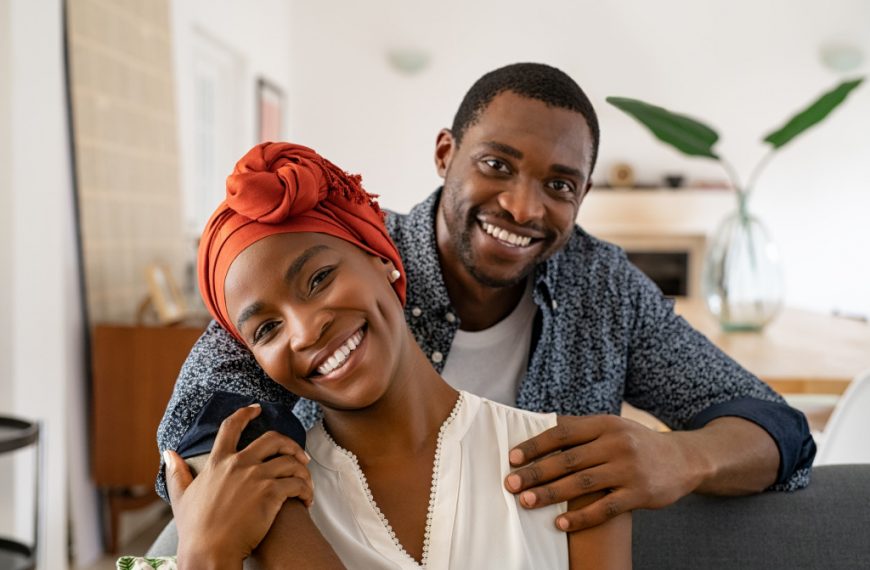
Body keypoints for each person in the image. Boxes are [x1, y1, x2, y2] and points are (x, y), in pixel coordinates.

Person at [157, 62, 815, 533]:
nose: (524, 206)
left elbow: (779, 430)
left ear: (582, 198)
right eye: (496, 165)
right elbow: (197, 431)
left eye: (559, 185)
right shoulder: (342, 265)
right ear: (446, 154)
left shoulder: (604, 289)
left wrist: (685, 455)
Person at [162, 141, 632, 568]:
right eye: (266, 328)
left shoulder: (572, 469)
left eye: (320, 278)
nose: (305, 332)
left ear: (383, 258)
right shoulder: (254, 504)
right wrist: (204, 555)